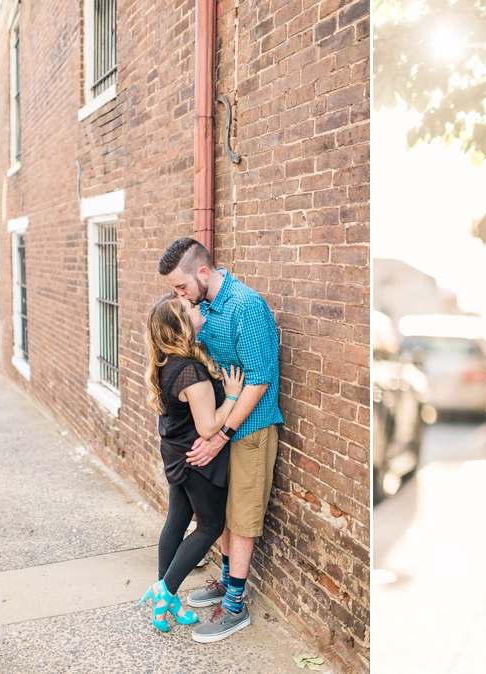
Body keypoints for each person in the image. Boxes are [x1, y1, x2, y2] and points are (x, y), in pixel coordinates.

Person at [157, 237, 283, 643]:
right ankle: (227, 580)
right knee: (224, 514)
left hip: (249, 430)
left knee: (243, 518)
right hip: (220, 431)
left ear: (203, 273)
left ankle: (235, 606)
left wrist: (222, 434)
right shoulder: (204, 307)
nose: (179, 296)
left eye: (181, 288)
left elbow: (260, 378)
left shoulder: (246, 306)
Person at [139, 293, 244, 633]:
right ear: (181, 325)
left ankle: (162, 597)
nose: (196, 307)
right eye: (189, 308)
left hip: (176, 456)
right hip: (197, 461)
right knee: (211, 526)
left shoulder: (166, 362)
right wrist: (231, 396)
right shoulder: (191, 371)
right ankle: (166, 590)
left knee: (177, 518)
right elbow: (209, 427)